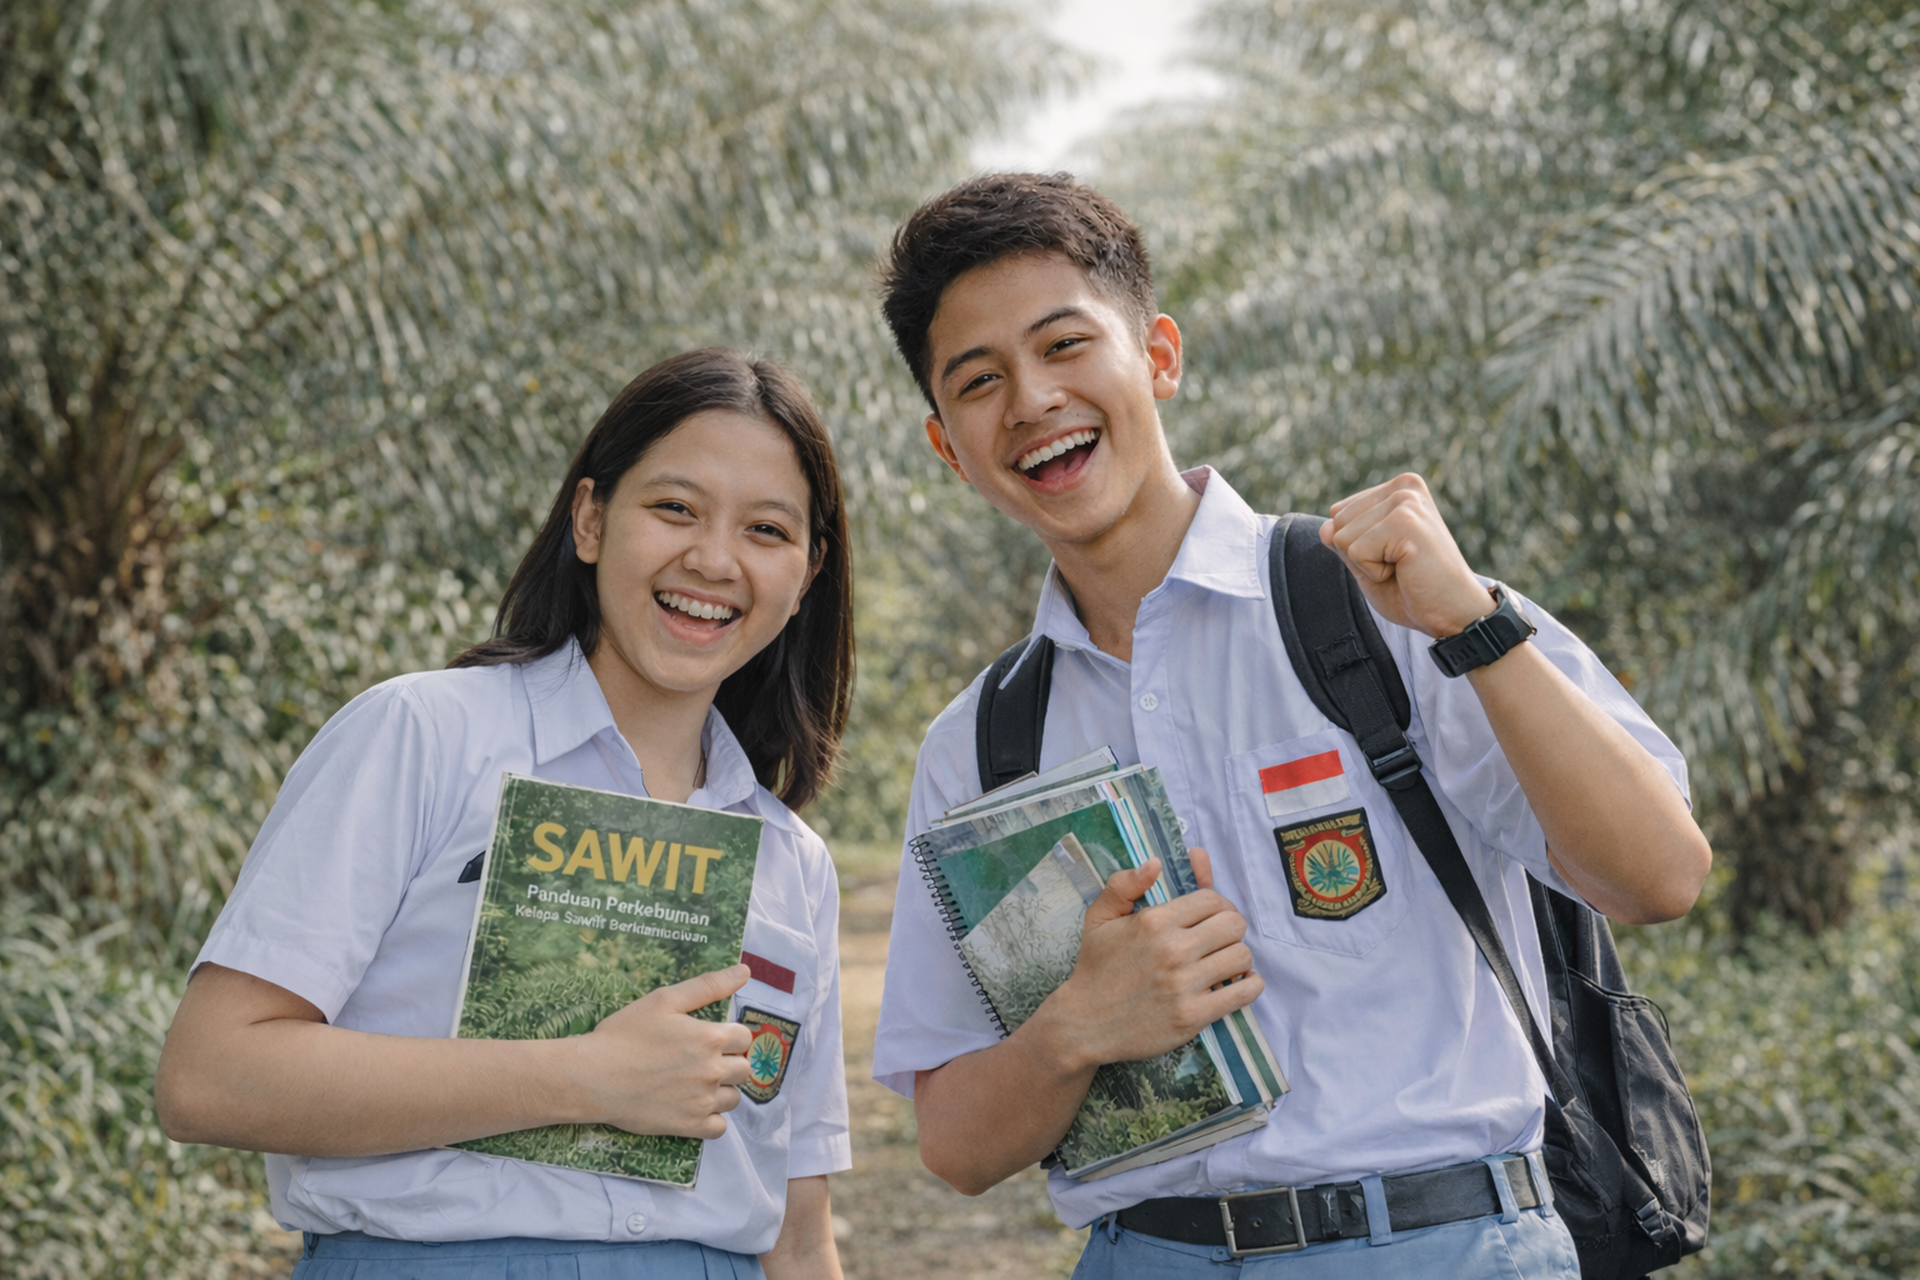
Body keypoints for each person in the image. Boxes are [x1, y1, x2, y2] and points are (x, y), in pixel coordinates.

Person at [870, 174, 1712, 1278]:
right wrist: (1078, 1023)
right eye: (979, 381)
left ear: (1159, 355)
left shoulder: (1384, 601)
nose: (1031, 400)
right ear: (950, 447)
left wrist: (1471, 623)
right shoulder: (981, 744)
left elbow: (1660, 876)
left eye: (1065, 344)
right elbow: (958, 1145)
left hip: (1450, 1245)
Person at [156, 349, 855, 1280]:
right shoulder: (423, 736)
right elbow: (209, 1078)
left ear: (805, 575)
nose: (714, 559)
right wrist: (581, 1076)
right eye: (675, 508)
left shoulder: (791, 862)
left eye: (766, 530)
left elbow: (801, 1235)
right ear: (592, 518)